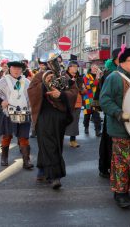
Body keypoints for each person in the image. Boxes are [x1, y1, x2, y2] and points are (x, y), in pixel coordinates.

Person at [27, 53, 78, 190]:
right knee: (49, 144)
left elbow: (74, 91)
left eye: (58, 61)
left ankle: (42, 170)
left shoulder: (64, 76)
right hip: (44, 114)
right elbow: (31, 91)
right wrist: (44, 85)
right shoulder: (40, 75)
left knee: (55, 144)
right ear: (47, 64)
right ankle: (55, 176)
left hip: (59, 115)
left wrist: (61, 94)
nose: (57, 64)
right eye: (53, 62)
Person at [100, 46, 130, 208]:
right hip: (119, 128)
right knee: (121, 161)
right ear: (122, 62)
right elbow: (105, 100)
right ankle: (119, 193)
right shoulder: (114, 78)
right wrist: (118, 113)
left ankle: (127, 190)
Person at [0, 60, 34, 170]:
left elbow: (31, 97)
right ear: (10, 69)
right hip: (7, 113)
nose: (16, 71)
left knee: (24, 137)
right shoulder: (3, 81)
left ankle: (26, 161)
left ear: (22, 70)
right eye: (14, 68)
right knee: (7, 135)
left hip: (23, 112)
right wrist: (1, 101)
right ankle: (4, 157)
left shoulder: (26, 82)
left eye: (19, 69)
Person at [94, 48, 120, 178]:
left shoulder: (124, 72)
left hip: (123, 112)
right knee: (108, 141)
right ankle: (106, 167)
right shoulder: (109, 74)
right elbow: (103, 95)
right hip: (112, 112)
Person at [65, 60, 85, 148]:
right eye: (74, 66)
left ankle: (72, 140)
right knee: (62, 121)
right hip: (66, 102)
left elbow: (84, 90)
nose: (76, 68)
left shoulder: (79, 77)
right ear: (69, 67)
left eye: (77, 67)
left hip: (77, 102)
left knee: (74, 122)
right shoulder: (64, 76)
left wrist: (83, 89)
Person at [82, 64, 102, 136]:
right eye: (94, 68)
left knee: (96, 114)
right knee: (87, 114)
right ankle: (86, 127)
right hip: (88, 98)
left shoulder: (99, 76)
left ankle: (97, 131)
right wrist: (97, 78)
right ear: (91, 68)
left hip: (96, 98)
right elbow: (88, 86)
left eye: (96, 68)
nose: (95, 69)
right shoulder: (86, 76)